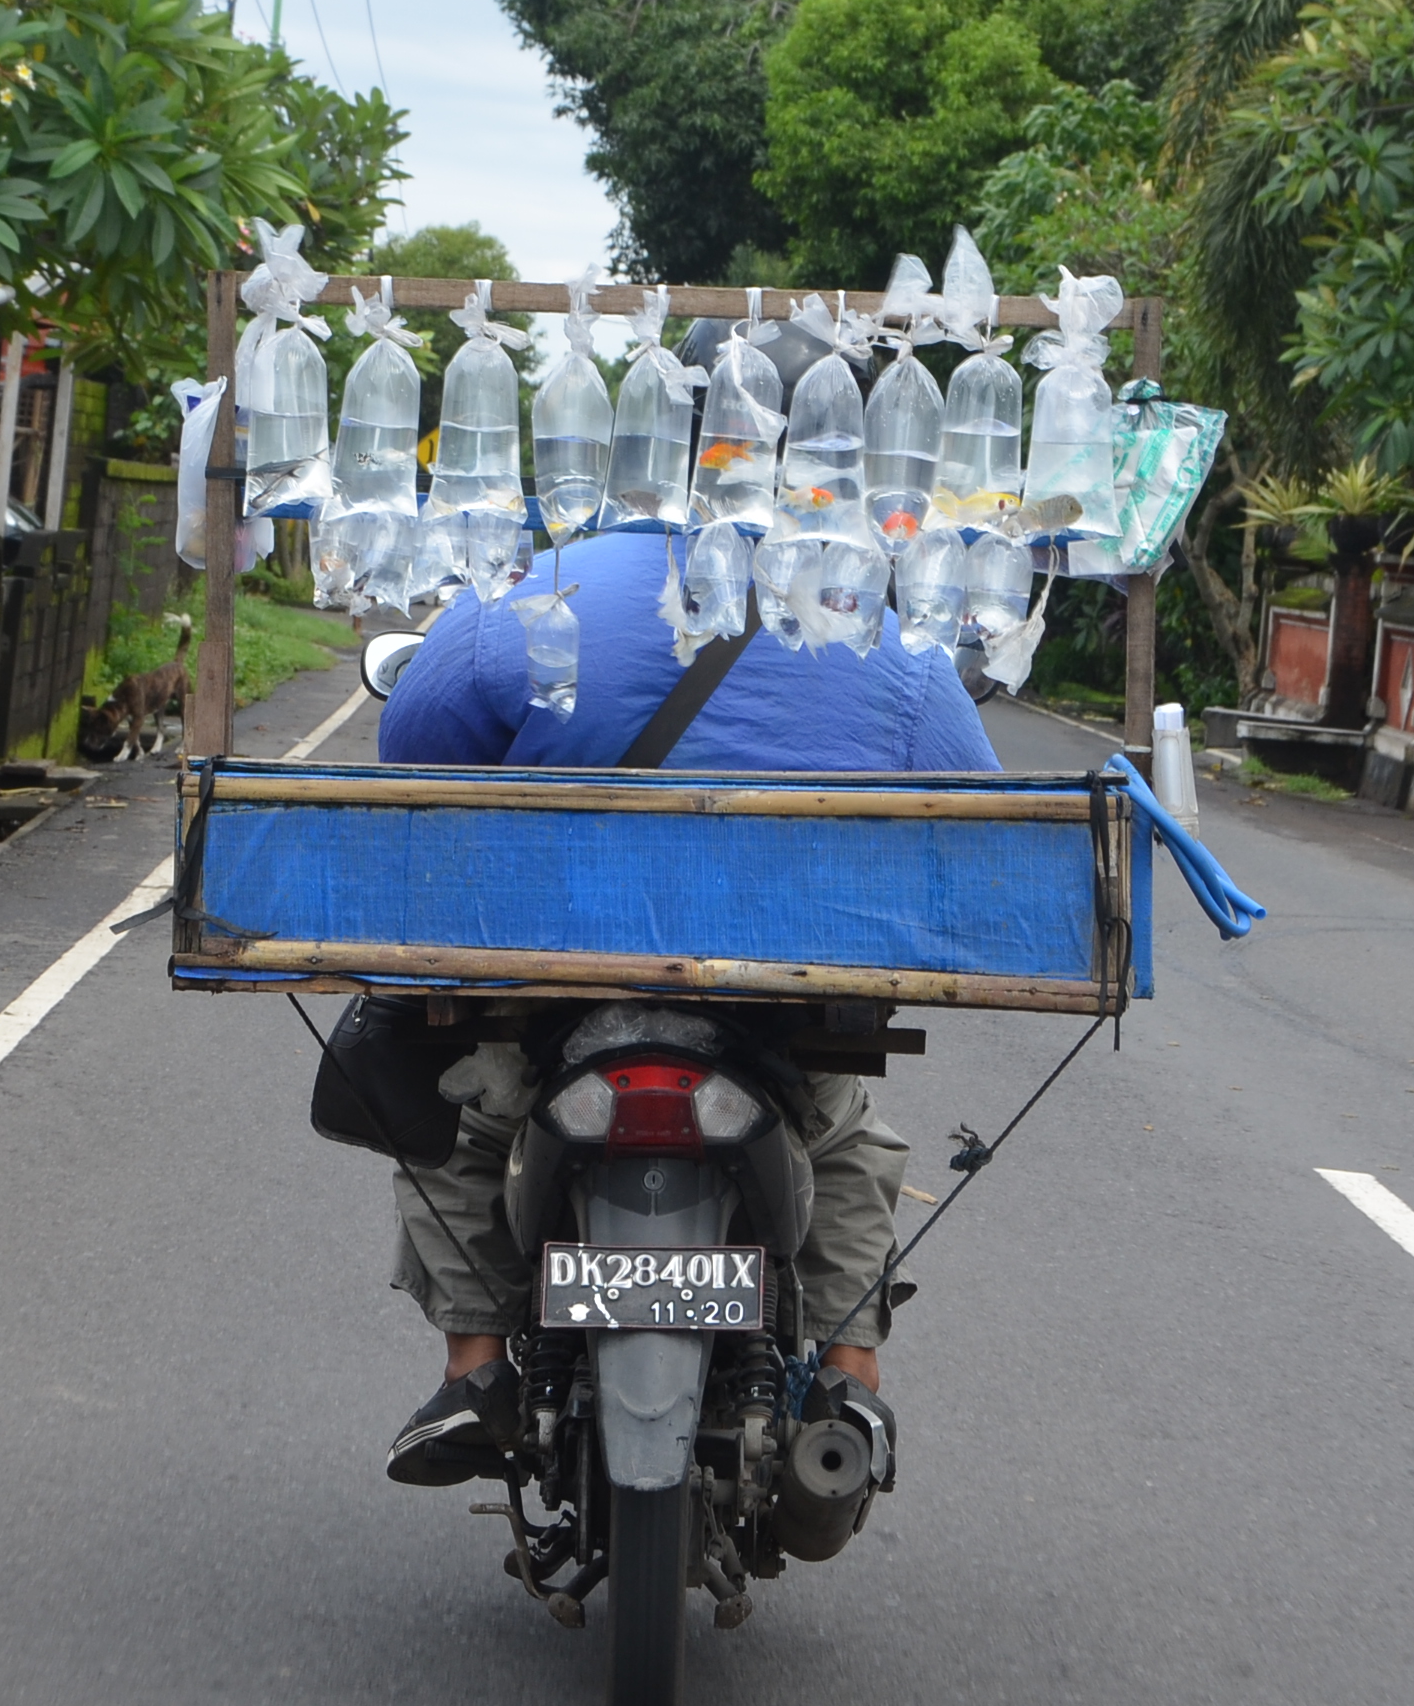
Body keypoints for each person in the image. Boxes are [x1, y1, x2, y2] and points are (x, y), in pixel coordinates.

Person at [368, 512, 997, 1485]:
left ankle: (475, 1371)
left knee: (464, 1117)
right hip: (779, 995)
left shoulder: (534, 590)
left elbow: (410, 752)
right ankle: (848, 1379)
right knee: (840, 1136)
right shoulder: (887, 627)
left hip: (559, 979)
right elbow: (979, 821)